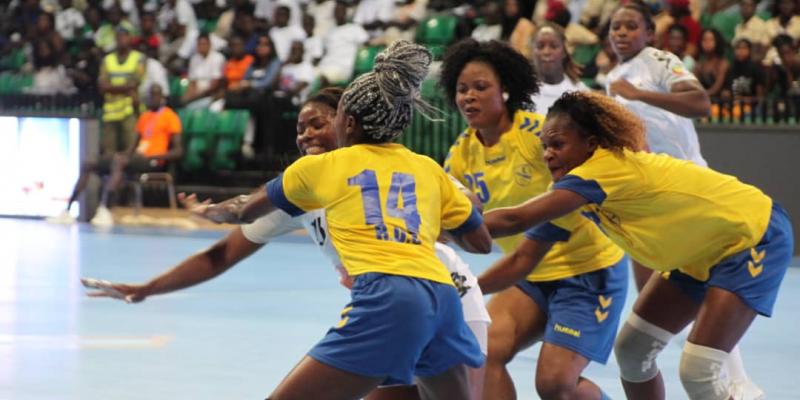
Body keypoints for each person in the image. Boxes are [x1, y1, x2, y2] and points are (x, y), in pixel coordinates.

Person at [103, 40, 491, 400]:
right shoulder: (425, 168)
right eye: (299, 128)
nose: (306, 135)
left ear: (348, 123)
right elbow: (481, 241)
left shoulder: (317, 170)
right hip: (443, 297)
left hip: (392, 296)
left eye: (322, 122)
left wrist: (213, 210)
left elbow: (241, 209)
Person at [482, 90, 793, 400]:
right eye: (545, 146)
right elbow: (525, 255)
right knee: (633, 351)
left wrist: (449, 222)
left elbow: (514, 220)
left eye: (558, 144)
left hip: (751, 235)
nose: (548, 154)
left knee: (699, 371)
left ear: (590, 144)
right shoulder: (572, 191)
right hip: (699, 254)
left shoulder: (607, 168)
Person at [439, 38, 625, 400]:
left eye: (481, 87)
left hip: (586, 275)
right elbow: (449, 220)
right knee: (483, 352)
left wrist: (461, 289)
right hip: (533, 282)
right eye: (462, 90)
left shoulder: (541, 136)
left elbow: (523, 258)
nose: (469, 97)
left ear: (505, 90)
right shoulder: (461, 152)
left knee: (555, 385)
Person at [606, 4, 763, 396]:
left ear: (649, 34)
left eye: (631, 26)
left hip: (692, 189)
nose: (622, 33)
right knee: (656, 293)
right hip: (648, 199)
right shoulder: (610, 78)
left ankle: (738, 381)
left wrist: (638, 93)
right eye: (615, 27)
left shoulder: (658, 61)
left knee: (706, 287)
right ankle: (652, 364)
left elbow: (699, 103)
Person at [50, 84, 183, 226]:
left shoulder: (170, 116)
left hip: (153, 161)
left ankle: (105, 211)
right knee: (89, 163)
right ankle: (67, 211)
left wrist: (154, 156)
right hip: (136, 157)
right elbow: (133, 147)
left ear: (162, 97)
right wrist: (121, 154)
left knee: (119, 162)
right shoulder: (144, 117)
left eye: (156, 95)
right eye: (150, 95)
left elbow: (178, 151)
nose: (152, 98)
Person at [98, 27, 146, 156]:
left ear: (130, 38)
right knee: (108, 152)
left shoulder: (139, 58)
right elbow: (102, 86)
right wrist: (125, 88)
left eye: (124, 36)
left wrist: (111, 88)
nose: (121, 40)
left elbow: (135, 83)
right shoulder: (107, 60)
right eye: (118, 37)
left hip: (130, 110)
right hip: (110, 111)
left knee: (131, 151)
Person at [530, 23, 589, 114]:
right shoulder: (521, 91)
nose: (546, 52)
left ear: (564, 52)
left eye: (553, 46)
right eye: (540, 47)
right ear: (532, 52)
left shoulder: (580, 93)